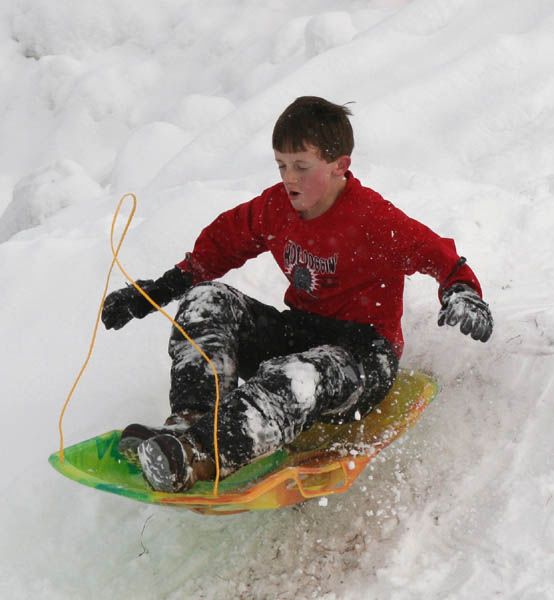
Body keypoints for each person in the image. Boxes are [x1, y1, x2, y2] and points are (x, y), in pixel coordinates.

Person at [101, 96, 493, 493]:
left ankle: (203, 454)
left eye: (302, 167)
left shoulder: (372, 219)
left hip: (362, 354)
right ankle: (191, 421)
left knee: (300, 375)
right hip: (302, 332)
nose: (289, 178)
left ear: (340, 165)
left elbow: (434, 253)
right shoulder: (276, 207)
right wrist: (158, 290)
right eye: (282, 165)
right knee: (209, 299)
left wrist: (461, 291)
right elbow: (222, 245)